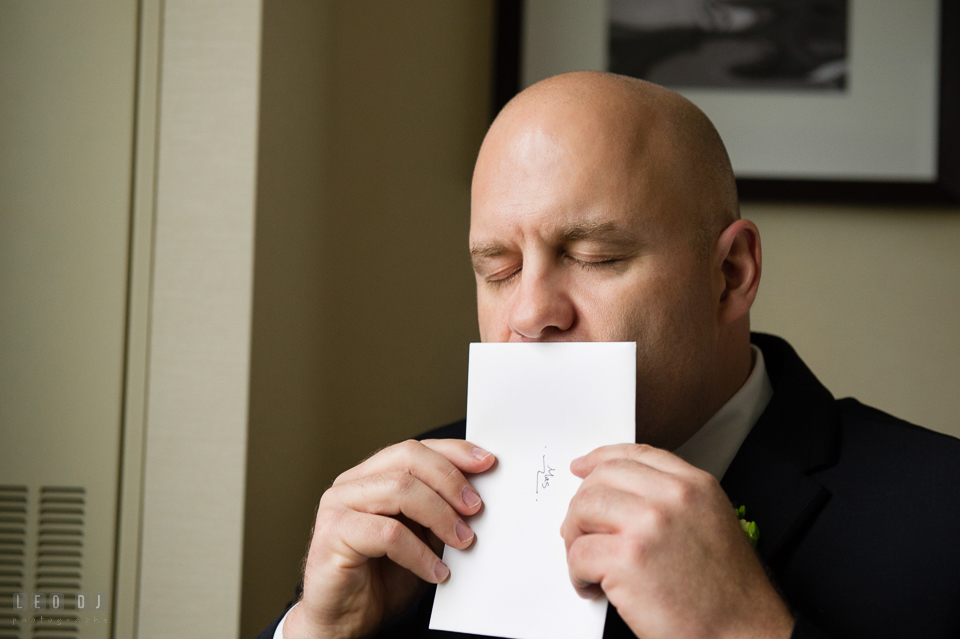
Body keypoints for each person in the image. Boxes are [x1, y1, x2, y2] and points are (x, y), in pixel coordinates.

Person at [260, 72, 960, 639]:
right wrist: (319, 629)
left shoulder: (941, 510)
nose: (531, 314)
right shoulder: (417, 515)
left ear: (731, 275)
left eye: (594, 255)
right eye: (497, 269)